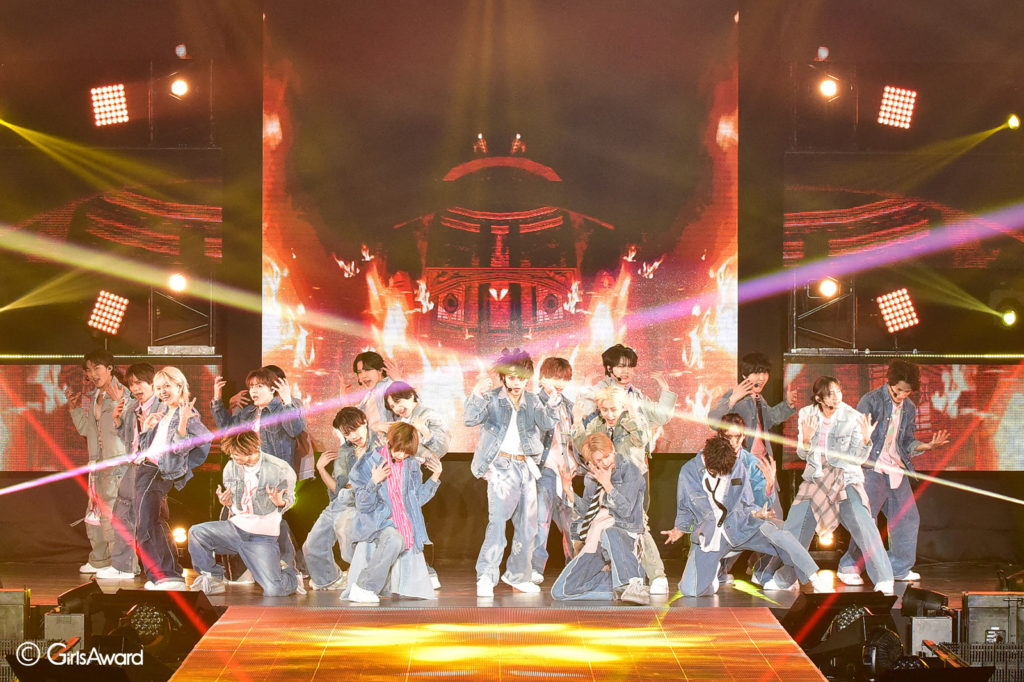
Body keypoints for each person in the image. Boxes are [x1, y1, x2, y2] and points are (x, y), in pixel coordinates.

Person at [766, 377, 894, 594]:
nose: (836, 397)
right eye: (830, 393)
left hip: (845, 477)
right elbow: (802, 454)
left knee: (863, 523)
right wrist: (807, 440)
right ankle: (787, 577)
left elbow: (858, 459)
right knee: (795, 527)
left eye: (838, 392)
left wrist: (865, 441)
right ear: (819, 398)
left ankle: (884, 577)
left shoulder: (853, 417)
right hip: (816, 478)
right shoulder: (807, 414)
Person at [664, 435, 833, 597]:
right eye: (716, 471)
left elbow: (747, 502)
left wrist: (758, 512)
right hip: (711, 536)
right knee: (689, 591)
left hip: (741, 526)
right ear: (706, 460)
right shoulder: (689, 472)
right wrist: (680, 529)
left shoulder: (736, 465)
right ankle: (712, 579)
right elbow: (684, 507)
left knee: (783, 533)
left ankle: (814, 578)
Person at [838, 361, 950, 585]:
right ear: (889, 383)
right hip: (871, 468)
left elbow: (906, 441)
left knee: (908, 519)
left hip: (896, 469)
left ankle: (898, 567)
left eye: (907, 391)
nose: (902, 395)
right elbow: (854, 436)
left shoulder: (909, 408)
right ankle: (849, 566)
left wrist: (927, 446)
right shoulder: (871, 400)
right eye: (898, 390)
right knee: (866, 521)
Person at [465, 348, 560, 597]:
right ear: (503, 377)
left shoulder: (533, 401)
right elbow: (470, 419)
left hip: (526, 466)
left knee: (528, 527)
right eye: (511, 377)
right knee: (498, 523)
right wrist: (477, 393)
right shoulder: (492, 398)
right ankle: (486, 576)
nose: (516, 383)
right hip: (501, 466)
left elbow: (547, 423)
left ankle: (519, 576)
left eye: (521, 378)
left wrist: (552, 399)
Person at [572, 385, 668, 594]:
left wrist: (632, 414)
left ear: (622, 406)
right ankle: (625, 574)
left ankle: (658, 576)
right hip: (605, 481)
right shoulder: (597, 424)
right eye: (605, 409)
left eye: (613, 409)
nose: (609, 414)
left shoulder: (632, 420)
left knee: (638, 525)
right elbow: (584, 448)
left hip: (630, 480)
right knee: (609, 527)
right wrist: (578, 422)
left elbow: (642, 440)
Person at [188, 430, 303, 597]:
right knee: (197, 532)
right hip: (235, 529)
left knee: (274, 591)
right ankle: (212, 579)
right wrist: (228, 503)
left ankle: (291, 578)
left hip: (261, 536)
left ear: (250, 450)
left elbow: (290, 497)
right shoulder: (231, 467)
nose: (232, 457)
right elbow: (236, 500)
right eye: (231, 453)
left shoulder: (279, 468)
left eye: (236, 454)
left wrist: (281, 503)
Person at [343, 422, 442, 603]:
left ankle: (374, 587)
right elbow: (362, 505)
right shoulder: (368, 463)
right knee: (394, 539)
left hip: (403, 522)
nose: (401, 455)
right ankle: (364, 587)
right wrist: (374, 482)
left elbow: (416, 500)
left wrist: (434, 478)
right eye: (399, 450)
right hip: (378, 521)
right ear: (390, 442)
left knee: (399, 539)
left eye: (407, 452)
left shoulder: (411, 465)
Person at [551, 433, 650, 604]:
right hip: (595, 539)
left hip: (622, 535)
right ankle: (621, 587)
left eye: (607, 456)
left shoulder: (630, 471)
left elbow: (625, 511)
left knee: (609, 532)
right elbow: (587, 512)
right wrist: (568, 490)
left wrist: (607, 484)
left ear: (612, 449)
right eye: (598, 460)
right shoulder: (592, 476)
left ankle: (631, 581)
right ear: (591, 462)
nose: (605, 462)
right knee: (560, 591)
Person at [136, 366, 211, 590]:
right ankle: (169, 575)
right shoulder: (167, 412)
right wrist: (146, 428)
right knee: (155, 523)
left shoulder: (186, 413)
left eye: (167, 386)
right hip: (147, 468)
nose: (162, 391)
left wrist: (181, 466)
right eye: (159, 387)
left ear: (180, 386)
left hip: (155, 471)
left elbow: (202, 441)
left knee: (146, 525)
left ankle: (163, 575)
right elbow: (149, 447)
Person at [708, 352, 798, 516]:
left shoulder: (758, 398)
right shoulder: (734, 395)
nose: (761, 377)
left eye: (764, 372)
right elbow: (713, 421)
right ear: (744, 375)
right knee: (751, 513)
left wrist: (788, 405)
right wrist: (732, 399)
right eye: (756, 372)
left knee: (772, 513)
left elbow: (769, 419)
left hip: (762, 463)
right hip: (743, 465)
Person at [65, 349, 130, 575]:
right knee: (94, 515)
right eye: (89, 370)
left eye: (97, 368)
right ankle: (100, 559)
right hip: (97, 463)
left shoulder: (123, 393)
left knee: (112, 515)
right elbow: (88, 430)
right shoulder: (95, 396)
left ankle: (121, 565)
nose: (93, 374)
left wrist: (120, 402)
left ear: (110, 368)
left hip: (116, 463)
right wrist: (74, 410)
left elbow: (131, 427)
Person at [95, 363, 160, 580]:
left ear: (152, 383)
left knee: (150, 520)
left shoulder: (162, 407)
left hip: (153, 468)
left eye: (139, 383)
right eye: (132, 384)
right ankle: (123, 567)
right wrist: (118, 422)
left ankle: (163, 571)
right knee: (122, 515)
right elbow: (129, 439)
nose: (135, 388)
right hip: (134, 465)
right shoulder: (132, 407)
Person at [382, 381, 451, 588]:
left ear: (411, 396)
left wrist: (426, 433)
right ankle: (410, 573)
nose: (396, 408)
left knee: (414, 526)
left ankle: (427, 572)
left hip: (420, 476)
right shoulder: (399, 423)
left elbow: (441, 449)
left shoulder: (428, 416)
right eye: (392, 406)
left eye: (398, 402)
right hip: (398, 478)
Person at [302, 407, 378, 591]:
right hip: (340, 501)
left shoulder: (380, 444)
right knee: (311, 545)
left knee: (346, 533)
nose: (353, 436)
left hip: (363, 502)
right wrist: (321, 470)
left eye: (355, 429)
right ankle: (330, 580)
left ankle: (362, 578)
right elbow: (338, 488)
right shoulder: (345, 451)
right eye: (347, 433)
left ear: (364, 422)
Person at [532, 357, 578, 584]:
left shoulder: (568, 404)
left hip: (566, 470)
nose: (560, 383)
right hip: (545, 469)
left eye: (564, 379)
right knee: (541, 521)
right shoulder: (534, 403)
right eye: (554, 378)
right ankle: (535, 569)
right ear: (542, 378)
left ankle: (575, 568)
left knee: (571, 523)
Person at [211, 368, 305, 471]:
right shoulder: (248, 412)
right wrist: (217, 398)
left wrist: (287, 399)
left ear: (272, 389)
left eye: (259, 386)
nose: (253, 390)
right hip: (250, 472)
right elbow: (227, 428)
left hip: (275, 473)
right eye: (251, 386)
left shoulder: (282, 410)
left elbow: (294, 431)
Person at [352, 351, 394, 433]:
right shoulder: (368, 396)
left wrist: (399, 380)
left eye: (367, 370)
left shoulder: (390, 387)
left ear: (380, 370)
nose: (363, 376)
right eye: (360, 372)